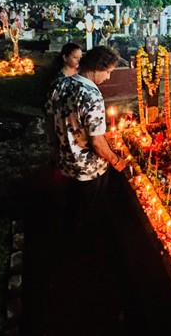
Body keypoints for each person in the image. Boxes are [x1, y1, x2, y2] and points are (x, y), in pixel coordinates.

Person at [45, 46, 126, 230]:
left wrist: (54, 147)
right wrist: (115, 159)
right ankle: (87, 244)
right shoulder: (91, 95)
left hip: (65, 161)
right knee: (89, 211)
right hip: (88, 169)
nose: (108, 77)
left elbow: (50, 119)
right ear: (97, 67)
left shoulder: (60, 84)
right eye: (108, 72)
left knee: (71, 205)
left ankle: (71, 235)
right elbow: (97, 141)